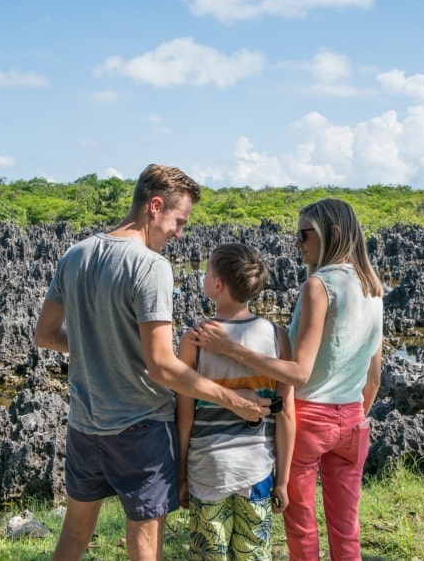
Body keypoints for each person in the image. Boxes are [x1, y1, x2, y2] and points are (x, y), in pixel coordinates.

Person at [34, 164, 270, 561]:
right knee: (144, 547)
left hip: (84, 426)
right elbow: (162, 367)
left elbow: (45, 335)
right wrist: (233, 401)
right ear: (155, 206)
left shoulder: (75, 255)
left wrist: (99, 345)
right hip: (140, 428)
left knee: (73, 536)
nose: (179, 233)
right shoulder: (151, 266)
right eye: (178, 221)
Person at [192, 198, 383, 561]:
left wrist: (233, 349)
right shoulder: (373, 288)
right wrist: (352, 416)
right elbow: (373, 376)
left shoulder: (318, 286)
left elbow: (299, 373)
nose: (297, 244)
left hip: (311, 417)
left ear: (333, 234)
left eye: (304, 234)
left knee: (301, 525)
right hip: (354, 419)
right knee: (347, 529)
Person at [177, 243, 295, 561]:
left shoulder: (194, 339)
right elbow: (286, 417)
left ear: (218, 285)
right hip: (257, 468)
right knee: (253, 553)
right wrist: (282, 480)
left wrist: (181, 474)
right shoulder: (276, 337)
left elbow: (184, 416)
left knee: (209, 554)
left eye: (207, 270)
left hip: (207, 470)